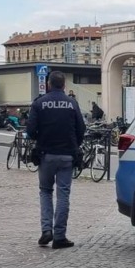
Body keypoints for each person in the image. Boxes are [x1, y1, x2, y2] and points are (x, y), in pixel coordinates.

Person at [27, 71, 86, 249]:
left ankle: (46, 230)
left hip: (46, 154)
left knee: (45, 191)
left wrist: (41, 139)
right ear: (64, 85)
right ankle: (60, 236)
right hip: (67, 155)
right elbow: (81, 129)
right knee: (63, 194)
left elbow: (30, 131)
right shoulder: (72, 103)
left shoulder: (39, 103)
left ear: (49, 84)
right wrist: (74, 144)